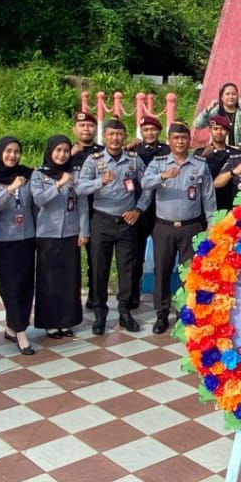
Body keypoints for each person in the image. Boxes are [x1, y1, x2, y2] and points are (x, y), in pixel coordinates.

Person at [76, 119, 153, 334]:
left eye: (119, 134)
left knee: (126, 270)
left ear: (125, 136)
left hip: (127, 222)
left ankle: (125, 313)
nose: (115, 138)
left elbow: (148, 185)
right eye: (111, 134)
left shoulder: (133, 160)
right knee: (100, 269)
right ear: (105, 136)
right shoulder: (94, 161)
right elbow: (80, 187)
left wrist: (138, 209)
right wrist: (100, 182)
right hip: (101, 221)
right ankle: (100, 315)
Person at [142, 122, 215, 334]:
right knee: (162, 271)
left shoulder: (199, 165)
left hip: (191, 227)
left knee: (190, 273)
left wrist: (211, 224)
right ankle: (161, 314)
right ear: (169, 140)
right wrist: (163, 176)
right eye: (176, 138)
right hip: (163, 227)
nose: (180, 142)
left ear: (189, 141)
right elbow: (145, 183)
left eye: (184, 138)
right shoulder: (159, 163)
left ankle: (185, 313)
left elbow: (208, 198)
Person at [0, 136, 36, 355]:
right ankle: (21, 331)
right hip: (4, 240)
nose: (13, 156)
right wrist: (11, 188)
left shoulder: (28, 174)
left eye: (16, 151)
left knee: (25, 284)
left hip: (27, 237)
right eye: (8, 151)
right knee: (10, 286)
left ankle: (12, 327)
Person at [30, 135, 86, 340]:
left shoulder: (73, 173)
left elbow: (81, 204)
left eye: (65, 150)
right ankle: (50, 323)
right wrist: (59, 185)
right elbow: (39, 200)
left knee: (69, 279)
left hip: (71, 233)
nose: (62, 155)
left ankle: (67, 320)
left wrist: (84, 231)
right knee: (49, 280)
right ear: (50, 151)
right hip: (48, 234)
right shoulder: (39, 174)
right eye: (58, 150)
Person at [127, 116, 168, 313]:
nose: (150, 133)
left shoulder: (167, 151)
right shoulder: (134, 151)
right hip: (139, 209)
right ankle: (133, 294)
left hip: (162, 208)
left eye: (153, 129)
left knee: (163, 257)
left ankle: (163, 298)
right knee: (135, 255)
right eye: (146, 130)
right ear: (141, 132)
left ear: (159, 131)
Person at [70, 111, 103, 313]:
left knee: (96, 259)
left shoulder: (102, 152)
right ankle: (70, 299)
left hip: (96, 210)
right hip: (71, 212)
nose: (86, 129)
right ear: (75, 129)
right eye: (81, 126)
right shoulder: (65, 152)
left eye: (90, 126)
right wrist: (70, 156)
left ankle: (94, 297)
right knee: (70, 261)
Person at [199, 115, 237, 210]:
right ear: (210, 131)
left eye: (222, 129)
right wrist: (203, 156)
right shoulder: (200, 153)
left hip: (230, 201)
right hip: (208, 202)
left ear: (227, 132)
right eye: (215, 129)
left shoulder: (236, 153)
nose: (219, 132)